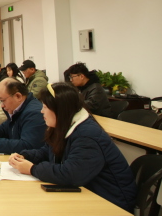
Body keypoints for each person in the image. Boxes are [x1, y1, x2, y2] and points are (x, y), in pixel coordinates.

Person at [10, 82, 136, 213]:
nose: (41, 111)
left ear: (60, 109)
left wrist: (32, 169)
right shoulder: (64, 124)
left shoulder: (87, 135)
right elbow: (48, 151)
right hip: (88, 194)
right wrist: (25, 156)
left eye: (45, 107)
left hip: (111, 202)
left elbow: (71, 175)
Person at [0, 78, 46, 154]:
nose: (2, 105)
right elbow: (4, 129)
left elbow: (28, 146)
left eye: (2, 100)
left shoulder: (34, 113)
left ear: (18, 96)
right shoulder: (17, 109)